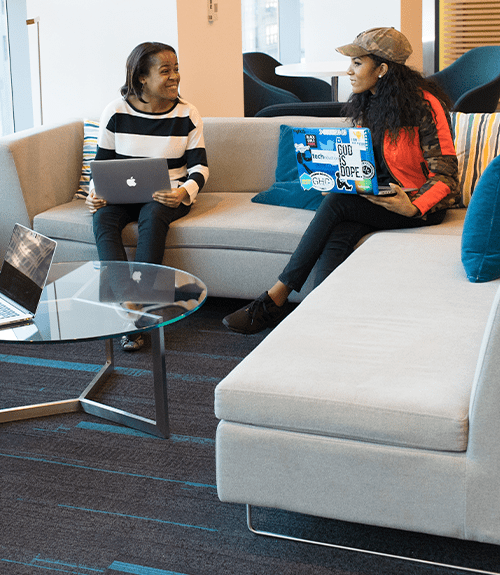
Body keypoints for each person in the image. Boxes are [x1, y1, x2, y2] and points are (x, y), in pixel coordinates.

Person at [223, 26, 460, 335]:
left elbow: (446, 176)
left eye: (357, 63)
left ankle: (276, 297)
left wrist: (413, 207)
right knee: (340, 231)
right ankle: (316, 320)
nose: (349, 70)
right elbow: (371, 164)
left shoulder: (425, 106)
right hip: (378, 197)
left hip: (418, 206)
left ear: (383, 69)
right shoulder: (370, 102)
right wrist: (339, 175)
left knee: (338, 204)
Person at [86, 42, 209, 350]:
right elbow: (101, 164)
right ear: (141, 77)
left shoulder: (187, 113)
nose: (175, 77)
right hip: (121, 194)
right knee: (102, 218)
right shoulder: (115, 112)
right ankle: (126, 303)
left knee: (153, 216)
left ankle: (137, 316)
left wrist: (183, 191)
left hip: (166, 195)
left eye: (176, 69)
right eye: (165, 71)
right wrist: (94, 194)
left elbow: (200, 168)